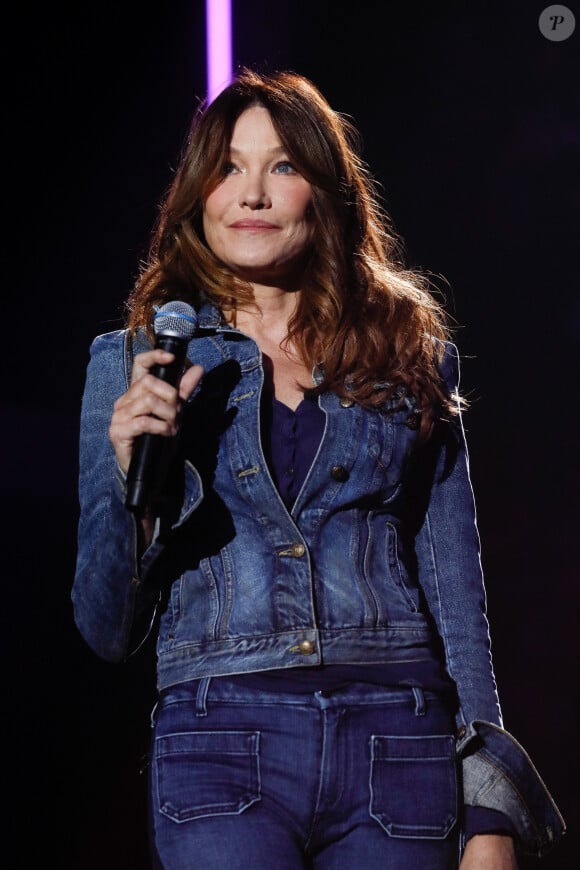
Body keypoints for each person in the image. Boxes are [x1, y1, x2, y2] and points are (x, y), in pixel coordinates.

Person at [72, 68, 565, 869]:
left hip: (397, 745)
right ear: (198, 194)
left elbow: (455, 588)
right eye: (229, 167)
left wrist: (489, 807)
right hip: (219, 741)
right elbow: (105, 628)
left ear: (325, 191)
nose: (253, 194)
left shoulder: (405, 355)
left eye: (283, 167)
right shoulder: (136, 362)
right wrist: (136, 486)